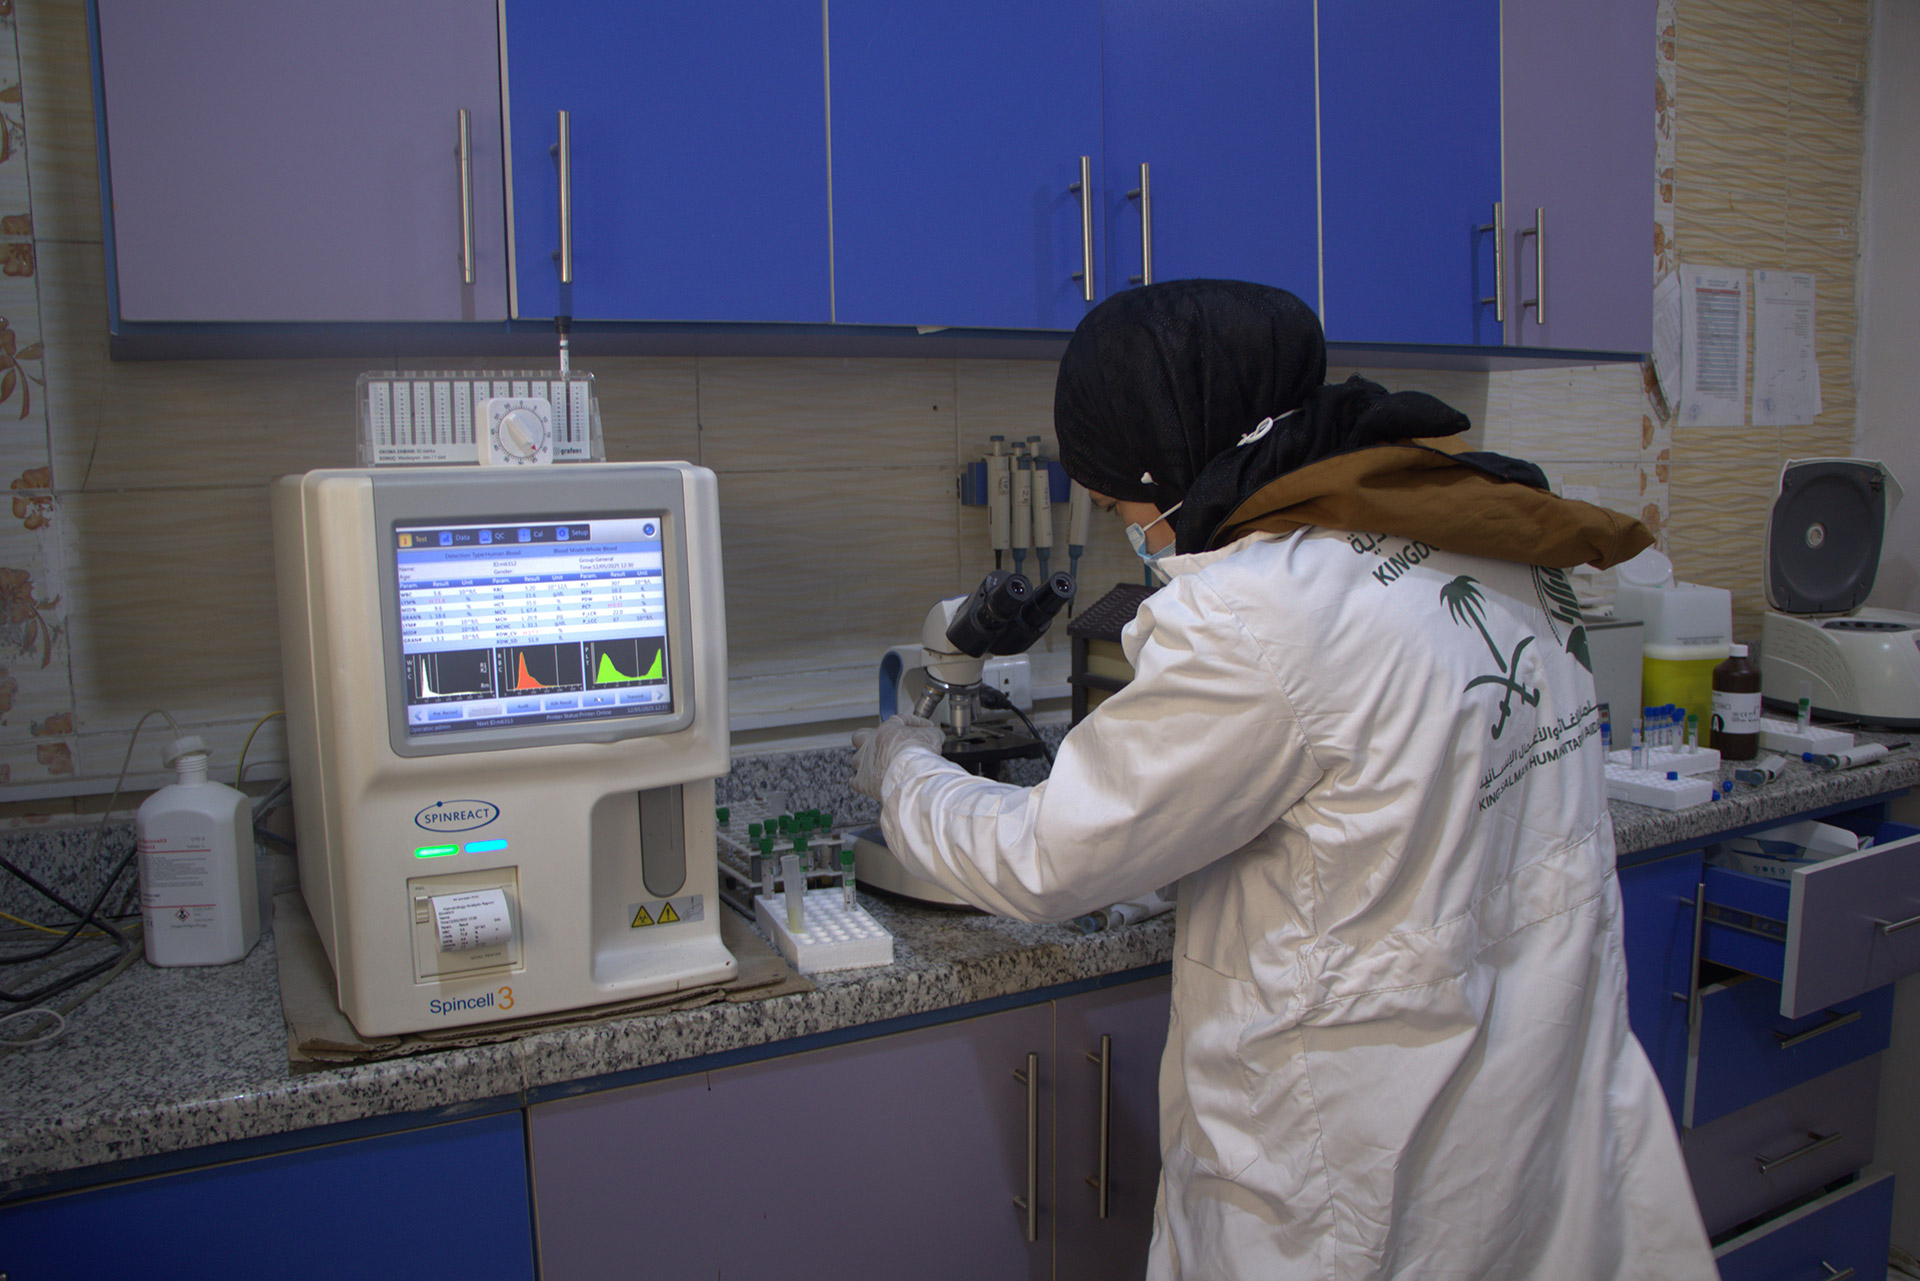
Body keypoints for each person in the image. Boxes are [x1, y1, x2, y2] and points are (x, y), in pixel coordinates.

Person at [852, 281, 1718, 1279]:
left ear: (1168, 463)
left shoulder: (1257, 615)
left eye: (1112, 500)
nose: (1122, 526)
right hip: (1532, 1120)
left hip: (1357, 1173)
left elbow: (1044, 862)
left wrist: (905, 769)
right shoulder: (1492, 534)